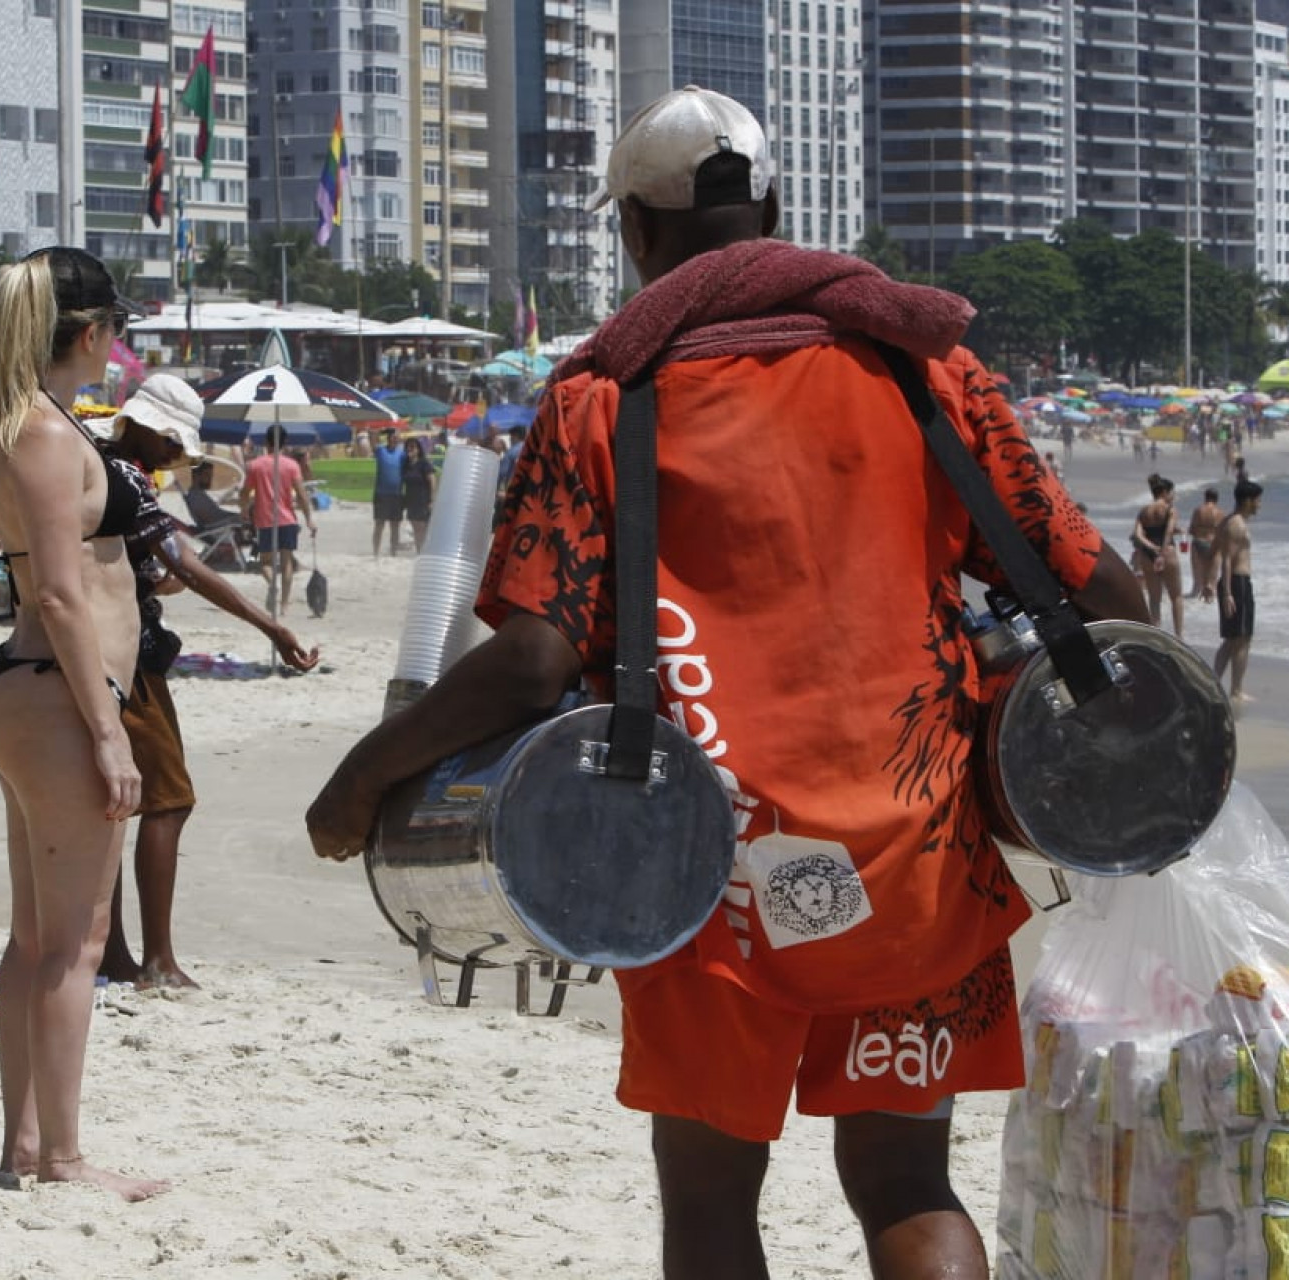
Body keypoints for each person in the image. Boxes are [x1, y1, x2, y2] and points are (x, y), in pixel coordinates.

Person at [304, 85, 1146, 1280]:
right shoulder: (928, 372)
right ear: (777, 210)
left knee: (711, 1207)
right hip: (923, 866)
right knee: (907, 1180)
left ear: (634, 233)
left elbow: (535, 657)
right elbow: (1110, 604)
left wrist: (365, 774)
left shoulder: (606, 396)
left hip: (706, 869)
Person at [0, 245, 165, 1201]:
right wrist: (106, 729)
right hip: (55, 690)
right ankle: (62, 1159)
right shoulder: (45, 436)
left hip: (30, 687)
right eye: (115, 327)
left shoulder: (19, 423)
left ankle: (25, 1143)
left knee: (34, 940)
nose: (119, 344)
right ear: (88, 333)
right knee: (75, 945)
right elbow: (58, 591)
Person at [88, 374, 319, 989]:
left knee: (111, 807)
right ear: (146, 427)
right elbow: (186, 566)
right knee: (168, 799)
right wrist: (272, 627)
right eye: (171, 442)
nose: (175, 455)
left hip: (82, 654)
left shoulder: (95, 465)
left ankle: (112, 953)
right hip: (125, 659)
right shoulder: (130, 481)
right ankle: (157, 960)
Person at [240, 423, 315, 616]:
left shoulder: (256, 465)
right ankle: (284, 605)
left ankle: (273, 584)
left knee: (265, 562)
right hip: (288, 519)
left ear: (266, 441)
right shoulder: (292, 465)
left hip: (265, 520)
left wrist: (244, 510)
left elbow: (245, 492)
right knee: (287, 562)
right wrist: (309, 519)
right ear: (285, 442)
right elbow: (301, 494)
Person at [1212, 479, 1264, 703]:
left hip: (1234, 583)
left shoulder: (1229, 521)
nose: (1260, 505)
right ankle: (1236, 690)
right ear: (1247, 501)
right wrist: (1227, 593)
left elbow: (1215, 550)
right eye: (1257, 500)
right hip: (1237, 583)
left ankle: (1213, 683)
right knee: (1242, 639)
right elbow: (1227, 560)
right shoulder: (1237, 525)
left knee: (1232, 639)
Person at [1131, 473, 1184, 638]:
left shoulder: (1144, 511)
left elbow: (1138, 535)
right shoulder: (1170, 509)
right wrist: (1161, 551)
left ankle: (1155, 634)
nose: (1172, 496)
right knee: (1176, 596)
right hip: (1167, 552)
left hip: (1147, 556)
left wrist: (1151, 547)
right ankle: (1179, 635)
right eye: (1170, 493)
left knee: (1154, 598)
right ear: (1163, 493)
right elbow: (1167, 531)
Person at [371, 426, 406, 557]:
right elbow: (373, 441)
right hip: (381, 493)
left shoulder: (402, 454)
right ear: (389, 438)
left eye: (398, 436)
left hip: (397, 494)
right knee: (379, 524)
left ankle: (393, 552)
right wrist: (380, 431)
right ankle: (375, 552)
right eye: (394, 436)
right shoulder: (381, 451)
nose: (396, 438)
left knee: (395, 526)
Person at [401, 435, 438, 552]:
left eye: (412, 447)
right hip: (411, 500)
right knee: (416, 528)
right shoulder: (406, 465)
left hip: (423, 500)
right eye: (408, 447)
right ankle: (419, 551)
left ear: (418, 449)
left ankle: (425, 551)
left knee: (423, 528)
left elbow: (432, 480)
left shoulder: (424, 463)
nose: (410, 449)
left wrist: (432, 500)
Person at [1187, 486, 1223, 602]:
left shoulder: (1198, 511)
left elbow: (1191, 530)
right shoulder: (1220, 513)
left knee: (1197, 584)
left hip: (1198, 543)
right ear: (1217, 499)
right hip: (1214, 544)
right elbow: (1223, 533)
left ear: (1205, 497)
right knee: (1212, 583)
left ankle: (1194, 605)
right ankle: (1209, 604)